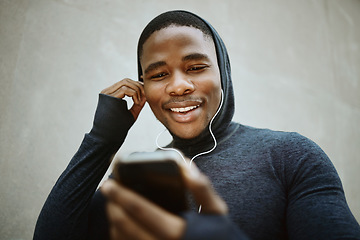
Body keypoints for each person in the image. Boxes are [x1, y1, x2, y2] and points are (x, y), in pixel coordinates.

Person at [34, 10, 360, 240]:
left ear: (223, 74)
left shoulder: (291, 156)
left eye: (195, 67)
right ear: (143, 87)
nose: (178, 86)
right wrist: (100, 140)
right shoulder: (133, 178)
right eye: (159, 74)